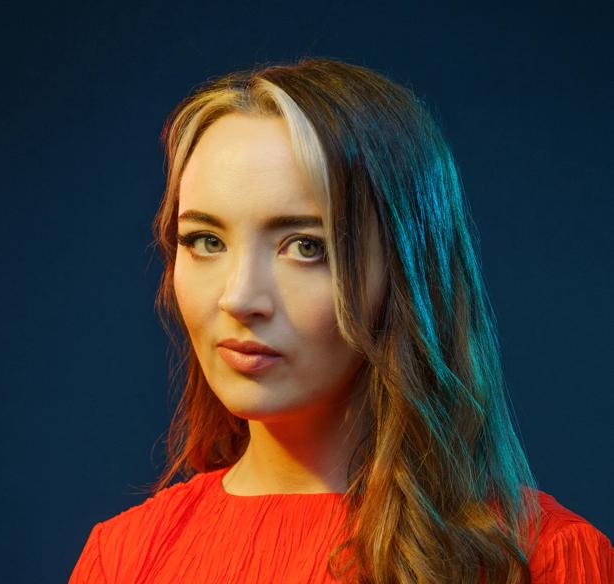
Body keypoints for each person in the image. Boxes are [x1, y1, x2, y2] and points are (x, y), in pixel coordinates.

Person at [69, 58, 612, 583]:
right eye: (206, 241)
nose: (239, 297)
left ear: (406, 271)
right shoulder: (125, 557)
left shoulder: (538, 558)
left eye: (306, 246)